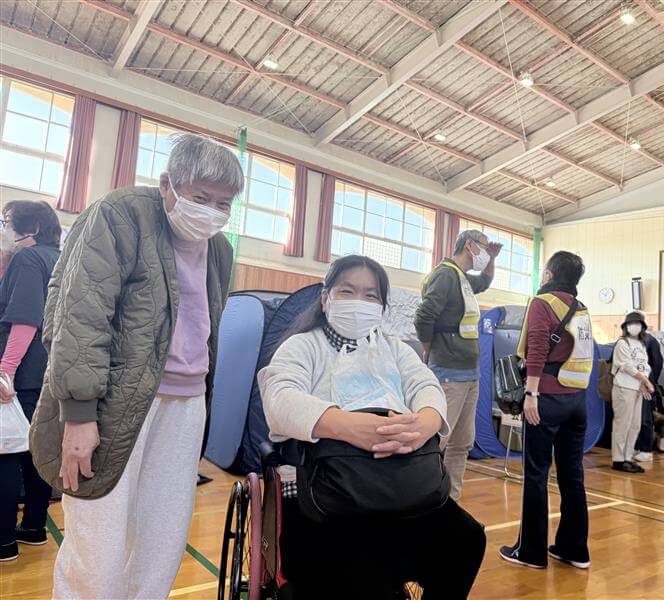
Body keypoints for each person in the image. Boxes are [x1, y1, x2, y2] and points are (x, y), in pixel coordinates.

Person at [28, 133, 241, 597]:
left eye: (223, 203)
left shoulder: (220, 250)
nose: (212, 211)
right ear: (168, 185)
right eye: (201, 197)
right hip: (115, 401)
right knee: (99, 538)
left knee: (161, 538)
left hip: (186, 405)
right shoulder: (120, 215)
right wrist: (79, 416)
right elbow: (80, 314)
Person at [259, 255, 486, 599]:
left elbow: (426, 386)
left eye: (370, 295)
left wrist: (424, 423)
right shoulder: (303, 346)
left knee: (466, 539)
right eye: (347, 291)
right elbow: (280, 398)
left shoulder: (395, 349)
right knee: (360, 567)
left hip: (401, 479)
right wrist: (347, 426)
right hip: (327, 490)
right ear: (326, 298)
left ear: (381, 307)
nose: (359, 301)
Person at [500, 251, 594, 570]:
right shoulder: (581, 308)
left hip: (546, 398)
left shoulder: (542, 302)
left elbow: (538, 347)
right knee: (573, 476)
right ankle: (574, 549)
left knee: (536, 474)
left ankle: (531, 552)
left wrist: (530, 393)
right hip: (577, 401)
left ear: (550, 274)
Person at [414, 229, 501, 500]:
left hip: (470, 373)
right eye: (483, 247)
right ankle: (424, 499)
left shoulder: (462, 278)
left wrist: (491, 260)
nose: (485, 251)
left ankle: (450, 501)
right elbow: (423, 316)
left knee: (461, 443)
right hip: (449, 372)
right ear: (470, 245)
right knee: (438, 441)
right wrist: (427, 350)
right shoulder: (445, 275)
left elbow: (484, 282)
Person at [0, 201, 60, 562]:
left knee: (6, 451)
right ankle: (34, 527)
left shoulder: (28, 259)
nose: (4, 228)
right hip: (47, 372)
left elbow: (25, 321)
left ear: (32, 227)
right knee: (35, 451)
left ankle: (4, 541)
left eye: (7, 222)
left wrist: (5, 371)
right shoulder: (59, 258)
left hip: (21, 373)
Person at [611, 312, 654, 473]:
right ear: (625, 326)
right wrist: (646, 381)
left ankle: (628, 457)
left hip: (637, 388)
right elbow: (627, 366)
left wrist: (643, 383)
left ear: (642, 327)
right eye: (631, 323)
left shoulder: (641, 345)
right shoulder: (622, 343)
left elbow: (645, 366)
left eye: (638, 323)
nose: (634, 326)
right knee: (623, 424)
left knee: (635, 425)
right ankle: (618, 459)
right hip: (624, 386)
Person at [633, 326, 664, 461]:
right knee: (640, 417)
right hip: (640, 383)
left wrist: (650, 381)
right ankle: (640, 448)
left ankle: (644, 450)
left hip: (641, 384)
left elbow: (657, 363)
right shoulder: (648, 340)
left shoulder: (648, 340)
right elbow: (658, 363)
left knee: (643, 417)